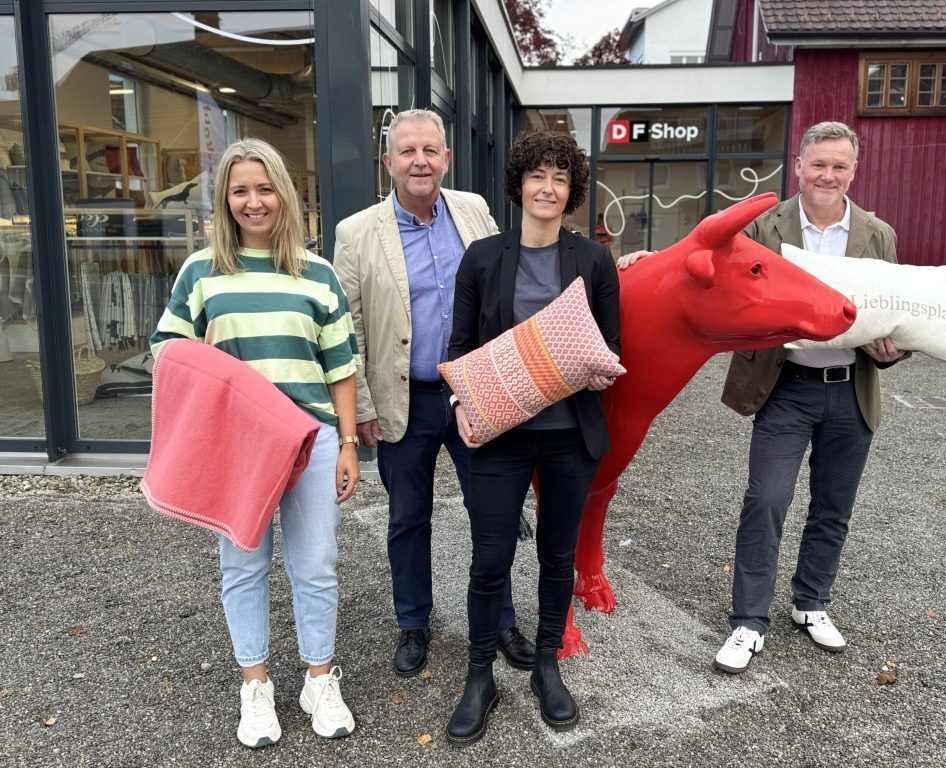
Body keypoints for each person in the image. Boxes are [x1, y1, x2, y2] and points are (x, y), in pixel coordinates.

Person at [150, 138, 361, 748]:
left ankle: (318, 679)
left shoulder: (317, 274)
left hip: (312, 439)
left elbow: (340, 366)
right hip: (238, 445)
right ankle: (256, 685)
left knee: (316, 564)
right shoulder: (201, 271)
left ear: (284, 195)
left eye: (265, 188)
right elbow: (169, 351)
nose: (254, 201)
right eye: (240, 190)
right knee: (243, 564)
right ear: (225, 199)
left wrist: (349, 444)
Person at [334, 109, 535, 678]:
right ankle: (413, 623)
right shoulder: (357, 232)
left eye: (430, 150)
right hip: (405, 399)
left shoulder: (473, 211)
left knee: (492, 512)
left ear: (447, 158)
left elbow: (511, 290)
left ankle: (500, 621)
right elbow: (347, 326)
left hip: (475, 394)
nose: (419, 161)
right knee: (407, 517)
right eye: (407, 151)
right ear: (388, 162)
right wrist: (361, 407)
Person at [444, 129, 620, 746]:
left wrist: (597, 368)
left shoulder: (594, 260)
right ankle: (480, 676)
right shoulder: (482, 257)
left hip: (570, 436)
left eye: (560, 178)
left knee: (557, 557)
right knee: (489, 559)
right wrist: (461, 403)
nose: (547, 188)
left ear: (572, 191)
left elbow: (610, 345)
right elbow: (460, 346)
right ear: (518, 184)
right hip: (500, 436)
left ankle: (547, 665)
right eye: (537, 175)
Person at [713, 121, 909, 673]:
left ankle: (811, 601)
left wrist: (893, 350)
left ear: (854, 171)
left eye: (839, 166)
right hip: (786, 387)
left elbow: (896, 311)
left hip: (851, 390)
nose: (828, 175)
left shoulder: (878, 234)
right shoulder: (764, 226)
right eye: (818, 164)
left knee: (833, 507)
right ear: (798, 166)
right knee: (767, 500)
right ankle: (749, 621)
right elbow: (725, 287)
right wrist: (640, 260)